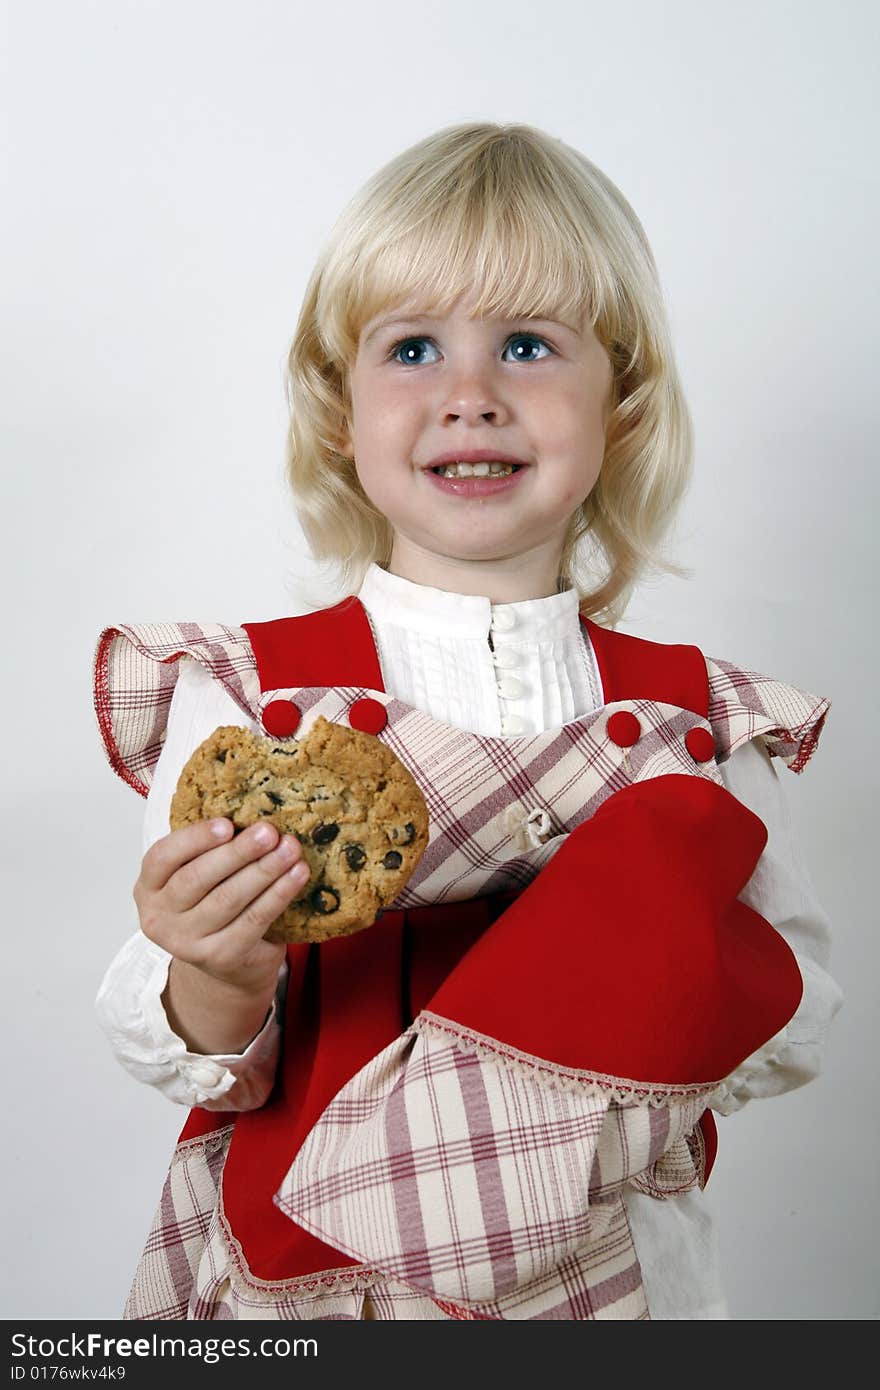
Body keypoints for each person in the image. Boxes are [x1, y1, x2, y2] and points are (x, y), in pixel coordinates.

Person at [93, 122, 842, 1321]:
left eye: (530, 346)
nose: (470, 396)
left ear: (623, 407)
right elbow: (182, 1049)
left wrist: (620, 978)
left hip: (616, 1278)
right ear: (339, 409)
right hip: (305, 1285)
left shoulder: (696, 722)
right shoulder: (253, 705)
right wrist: (215, 964)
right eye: (413, 347)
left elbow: (793, 1000)